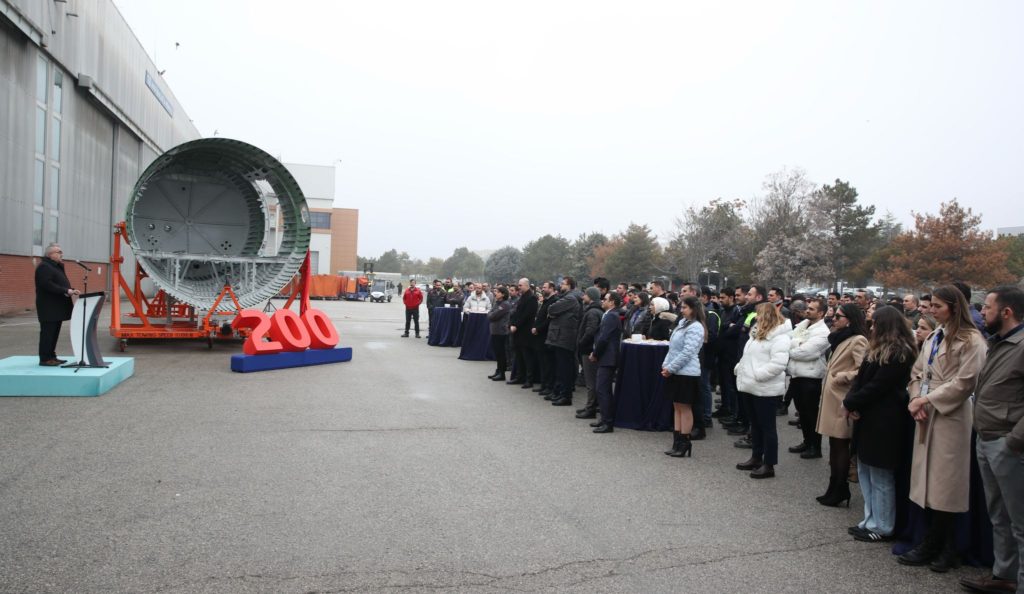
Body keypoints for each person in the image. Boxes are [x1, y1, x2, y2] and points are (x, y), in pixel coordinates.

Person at [898, 285, 987, 572]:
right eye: (931, 305)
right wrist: (916, 398)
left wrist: (928, 398)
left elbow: (965, 381)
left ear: (954, 306)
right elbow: (917, 372)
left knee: (947, 483)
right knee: (927, 480)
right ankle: (930, 539)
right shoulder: (936, 335)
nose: (931, 310)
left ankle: (948, 546)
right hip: (924, 410)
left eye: (937, 306)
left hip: (951, 415)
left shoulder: (971, 339)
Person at [959, 286, 1024, 594]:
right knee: (999, 515)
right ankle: (1004, 576)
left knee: (1020, 521)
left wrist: (1014, 441)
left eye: (987, 307)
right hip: (987, 439)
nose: (981, 312)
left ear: (1006, 312)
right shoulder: (998, 342)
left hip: (1008, 444)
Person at [843, 306, 917, 543]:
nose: (871, 328)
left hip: (886, 421)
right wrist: (852, 402)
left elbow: (879, 385)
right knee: (865, 471)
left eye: (875, 324)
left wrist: (852, 402)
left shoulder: (899, 352)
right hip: (868, 416)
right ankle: (869, 520)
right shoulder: (874, 349)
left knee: (881, 476)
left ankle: (883, 525)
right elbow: (861, 379)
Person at [815, 303, 869, 506]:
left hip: (842, 398)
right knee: (834, 444)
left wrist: (842, 376)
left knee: (840, 445)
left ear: (850, 319)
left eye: (839, 316)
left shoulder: (858, 340)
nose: (834, 319)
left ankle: (840, 487)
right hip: (832, 397)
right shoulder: (839, 338)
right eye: (834, 316)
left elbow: (862, 369)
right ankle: (834, 487)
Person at [733, 302, 791, 478]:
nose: (756, 317)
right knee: (755, 424)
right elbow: (748, 356)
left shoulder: (780, 337)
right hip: (750, 385)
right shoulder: (756, 333)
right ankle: (756, 457)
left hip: (765, 388)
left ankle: (769, 464)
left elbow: (778, 364)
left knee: (767, 428)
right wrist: (740, 369)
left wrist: (758, 375)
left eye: (759, 314)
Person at [661, 296, 707, 458]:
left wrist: (671, 368)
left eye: (685, 308)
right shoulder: (682, 324)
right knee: (677, 406)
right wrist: (666, 366)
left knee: (685, 407)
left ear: (693, 309)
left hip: (687, 373)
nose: (681, 310)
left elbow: (688, 352)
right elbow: (672, 348)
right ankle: (677, 440)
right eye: (681, 307)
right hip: (675, 371)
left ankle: (684, 441)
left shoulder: (696, 327)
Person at [786, 297, 831, 460]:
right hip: (797, 375)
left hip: (811, 378)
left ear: (820, 313)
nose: (807, 310)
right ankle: (806, 441)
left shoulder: (823, 332)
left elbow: (806, 353)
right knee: (802, 413)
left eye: (811, 309)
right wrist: (796, 344)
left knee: (811, 414)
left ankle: (815, 446)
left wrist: (792, 347)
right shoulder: (802, 326)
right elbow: (788, 342)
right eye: (807, 308)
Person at [35, 243, 78, 366]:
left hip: (56, 307)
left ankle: (52, 356)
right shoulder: (44, 267)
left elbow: (59, 283)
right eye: (58, 252)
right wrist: (66, 291)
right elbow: (47, 284)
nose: (61, 254)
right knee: (48, 334)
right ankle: (45, 358)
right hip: (49, 307)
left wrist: (70, 290)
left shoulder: (55, 266)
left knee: (54, 333)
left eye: (61, 252)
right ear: (50, 254)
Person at [590, 292, 624, 433]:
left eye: (605, 299)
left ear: (612, 302)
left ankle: (607, 422)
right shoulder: (609, 315)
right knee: (602, 389)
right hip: (606, 356)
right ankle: (604, 418)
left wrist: (596, 353)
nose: (602, 301)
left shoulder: (611, 316)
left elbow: (604, 338)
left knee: (603, 390)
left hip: (607, 357)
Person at [545, 277, 580, 406]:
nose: (560, 285)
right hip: (560, 337)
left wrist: (554, 313)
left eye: (563, 284)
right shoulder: (565, 297)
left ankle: (565, 396)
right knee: (560, 367)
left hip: (565, 338)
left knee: (565, 368)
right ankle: (560, 392)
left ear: (570, 286)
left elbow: (551, 309)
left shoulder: (570, 298)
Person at [575, 287, 604, 419]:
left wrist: (580, 342)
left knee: (590, 382)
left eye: (585, 295)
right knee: (592, 380)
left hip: (588, 350)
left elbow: (590, 331)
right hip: (590, 349)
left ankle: (590, 408)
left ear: (590, 297)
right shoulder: (596, 310)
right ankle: (592, 405)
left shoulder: (592, 312)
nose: (583, 297)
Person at [509, 278, 538, 388]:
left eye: (520, 285)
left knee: (527, 357)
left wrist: (515, 325)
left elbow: (527, 315)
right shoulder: (522, 297)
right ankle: (519, 376)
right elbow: (517, 312)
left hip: (525, 332)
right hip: (518, 331)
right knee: (519, 356)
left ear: (526, 285)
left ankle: (529, 379)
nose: (519, 287)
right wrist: (512, 324)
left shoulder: (532, 298)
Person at [487, 286, 512, 381]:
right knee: (497, 353)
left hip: (501, 332)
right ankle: (498, 370)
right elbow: (490, 313)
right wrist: (490, 314)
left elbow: (493, 315)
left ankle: (502, 373)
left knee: (501, 353)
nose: (495, 293)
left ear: (503, 294)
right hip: (495, 331)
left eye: (497, 292)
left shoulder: (505, 304)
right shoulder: (497, 303)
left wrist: (490, 314)